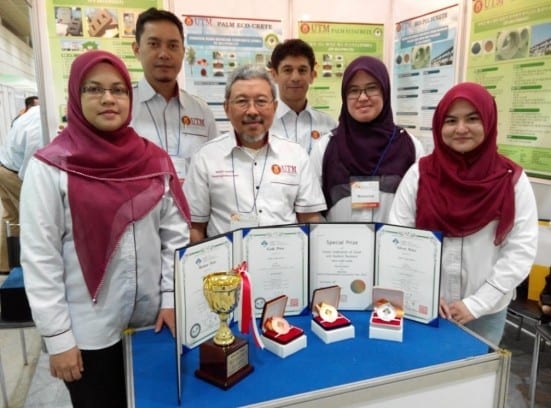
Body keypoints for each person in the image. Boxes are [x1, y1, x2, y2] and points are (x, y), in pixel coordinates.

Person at [20, 50, 191, 407]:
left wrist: (173, 298)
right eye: (94, 89)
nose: (109, 99)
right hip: (87, 331)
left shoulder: (153, 160)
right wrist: (58, 337)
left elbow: (173, 239)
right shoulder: (52, 166)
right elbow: (41, 259)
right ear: (76, 97)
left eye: (119, 90)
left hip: (153, 323)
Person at [388, 82, 538, 345]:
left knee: (477, 381)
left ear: (489, 122)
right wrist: (423, 295)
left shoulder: (510, 180)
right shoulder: (420, 174)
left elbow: (520, 250)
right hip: (427, 308)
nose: (460, 129)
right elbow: (398, 238)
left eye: (472, 119)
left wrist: (476, 304)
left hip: (485, 312)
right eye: (451, 120)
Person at [184, 64, 326, 242]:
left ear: (274, 107)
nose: (252, 111)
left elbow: (310, 220)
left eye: (261, 101)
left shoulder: (296, 155)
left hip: (283, 265)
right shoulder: (205, 158)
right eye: (242, 101)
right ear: (227, 108)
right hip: (228, 268)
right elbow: (196, 227)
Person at [309, 56, 424, 223]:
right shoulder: (325, 147)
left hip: (392, 247)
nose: (362, 97)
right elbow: (312, 210)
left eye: (371, 88)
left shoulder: (410, 146)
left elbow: (418, 208)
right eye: (354, 90)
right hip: (339, 247)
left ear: (385, 91)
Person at [131, 8, 218, 181]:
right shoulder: (122, 107)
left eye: (172, 46)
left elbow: (214, 167)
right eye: (154, 44)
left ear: (183, 52)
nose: (164, 54)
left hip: (192, 207)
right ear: (137, 50)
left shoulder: (201, 110)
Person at [269, 39, 337, 154]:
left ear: (312, 76)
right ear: (274, 75)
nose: (295, 78)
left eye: (302, 70)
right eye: (287, 70)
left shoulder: (329, 125)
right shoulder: (263, 123)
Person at [0, 104, 43, 274]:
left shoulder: (36, 110)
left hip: (5, 165)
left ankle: (5, 265)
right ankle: (30, 269)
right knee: (32, 219)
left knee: (11, 217)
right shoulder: (42, 124)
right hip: (14, 172)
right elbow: (30, 167)